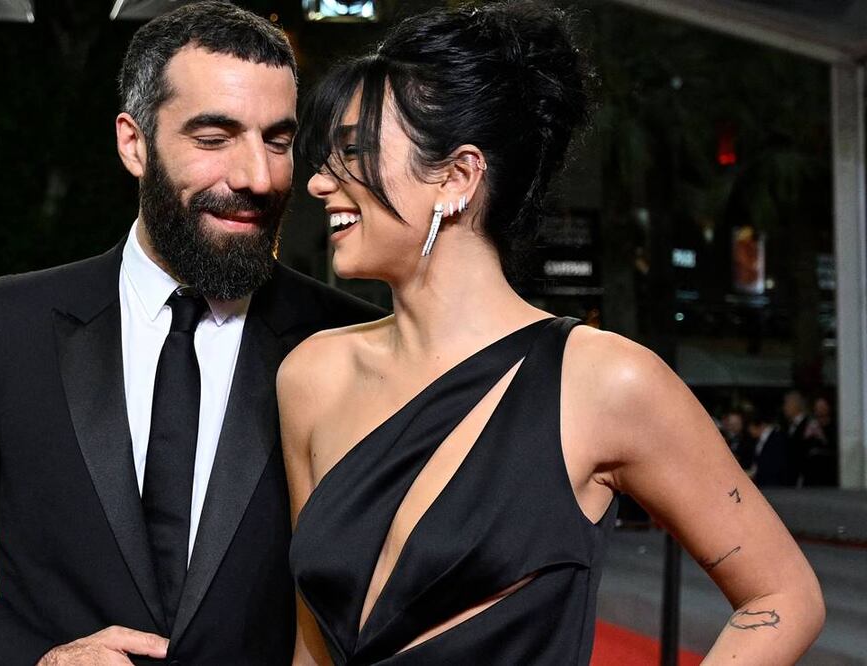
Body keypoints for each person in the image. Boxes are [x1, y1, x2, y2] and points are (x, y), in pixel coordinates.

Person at [280, 4, 824, 664]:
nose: (317, 181)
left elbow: (782, 596)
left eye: (354, 153)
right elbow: (311, 645)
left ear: (456, 178)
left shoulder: (605, 383)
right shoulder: (312, 377)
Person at [0, 3, 381, 665]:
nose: (257, 177)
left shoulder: (343, 337)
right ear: (133, 143)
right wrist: (37, 661)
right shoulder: (15, 321)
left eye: (278, 141)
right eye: (213, 138)